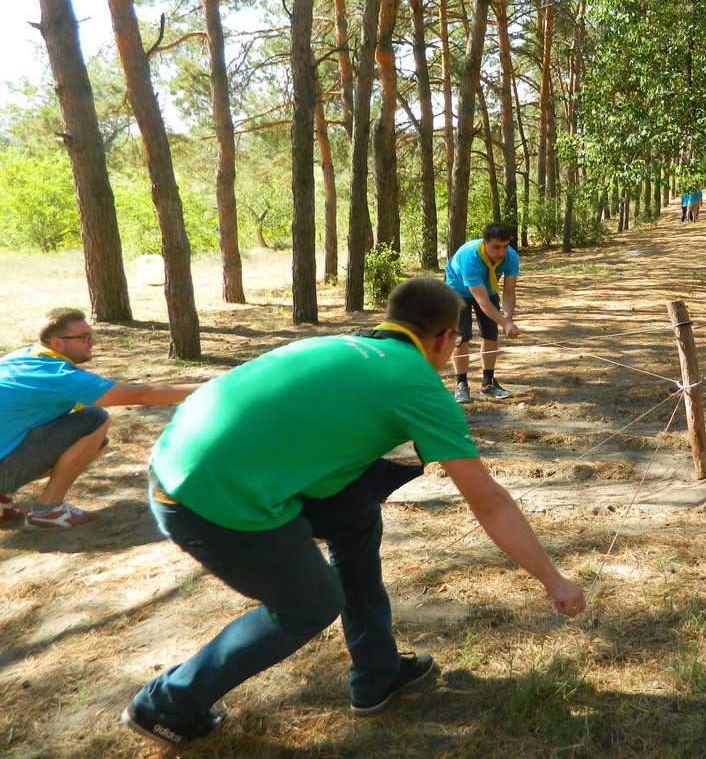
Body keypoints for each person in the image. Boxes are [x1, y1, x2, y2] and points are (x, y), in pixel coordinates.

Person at [122, 277, 586, 748]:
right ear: (447, 338)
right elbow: (488, 500)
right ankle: (166, 705)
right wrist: (553, 579)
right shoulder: (419, 385)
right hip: (208, 500)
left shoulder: (333, 343)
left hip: (174, 461)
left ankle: (377, 677)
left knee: (356, 518)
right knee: (310, 604)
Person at [0, 308, 199, 530]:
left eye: (91, 335)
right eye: (83, 337)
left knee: (96, 445)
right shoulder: (59, 375)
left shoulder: (20, 356)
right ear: (57, 343)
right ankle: (49, 512)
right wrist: (211, 388)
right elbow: (139, 394)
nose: (92, 342)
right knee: (94, 421)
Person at [444, 222, 520, 402]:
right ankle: (461, 384)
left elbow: (509, 292)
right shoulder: (469, 257)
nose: (501, 252)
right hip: (458, 290)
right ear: (485, 244)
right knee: (462, 336)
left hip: (488, 288)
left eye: (505, 246)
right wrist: (504, 323)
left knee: (490, 334)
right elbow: (481, 300)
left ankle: (488, 384)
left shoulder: (510, 257)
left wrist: (508, 318)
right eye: (496, 247)